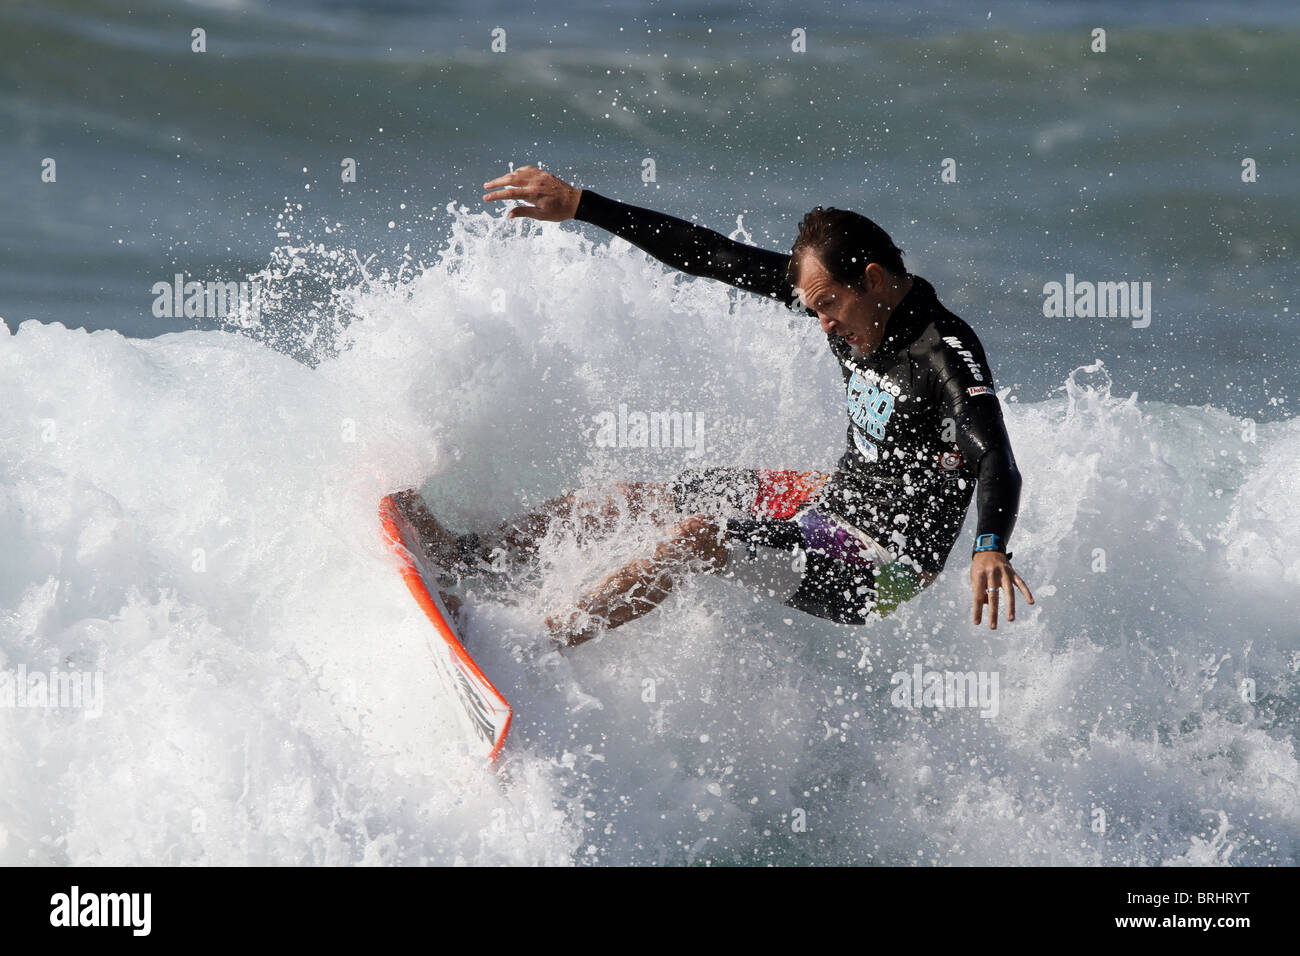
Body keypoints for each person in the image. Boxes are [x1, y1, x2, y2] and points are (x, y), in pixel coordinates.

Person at [401, 164, 1034, 646]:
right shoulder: (845, 304)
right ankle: (468, 559)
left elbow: (994, 457)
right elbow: (712, 257)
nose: (823, 326)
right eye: (811, 311)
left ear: (870, 280)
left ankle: (533, 644)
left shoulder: (941, 351)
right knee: (638, 498)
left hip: (881, 565)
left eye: (829, 307)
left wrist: (988, 545)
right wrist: (582, 206)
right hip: (834, 501)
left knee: (695, 537)